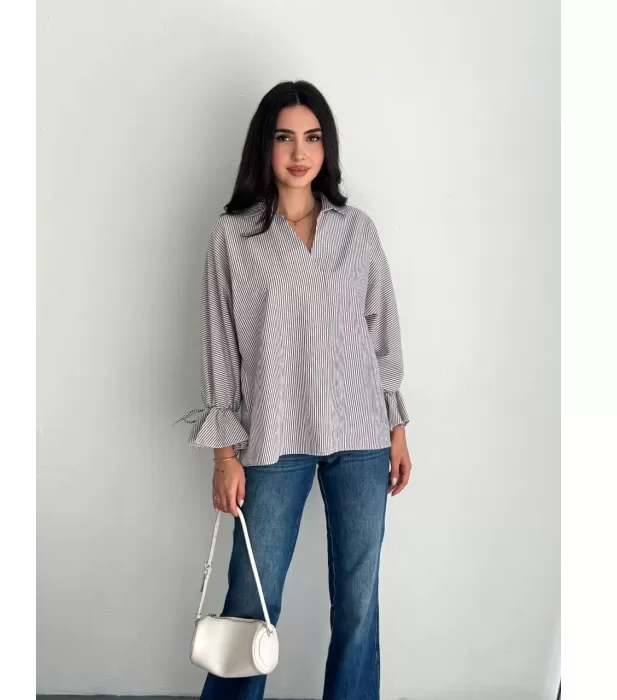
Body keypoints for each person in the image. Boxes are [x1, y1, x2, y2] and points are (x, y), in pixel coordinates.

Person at [177, 80, 412, 700]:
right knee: (251, 601)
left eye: (312, 137)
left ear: (326, 148)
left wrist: (395, 428)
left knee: (358, 603)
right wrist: (225, 455)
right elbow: (221, 347)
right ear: (266, 146)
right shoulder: (233, 237)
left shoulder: (357, 231)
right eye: (285, 137)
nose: (299, 152)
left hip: (361, 437)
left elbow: (381, 331)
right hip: (274, 439)